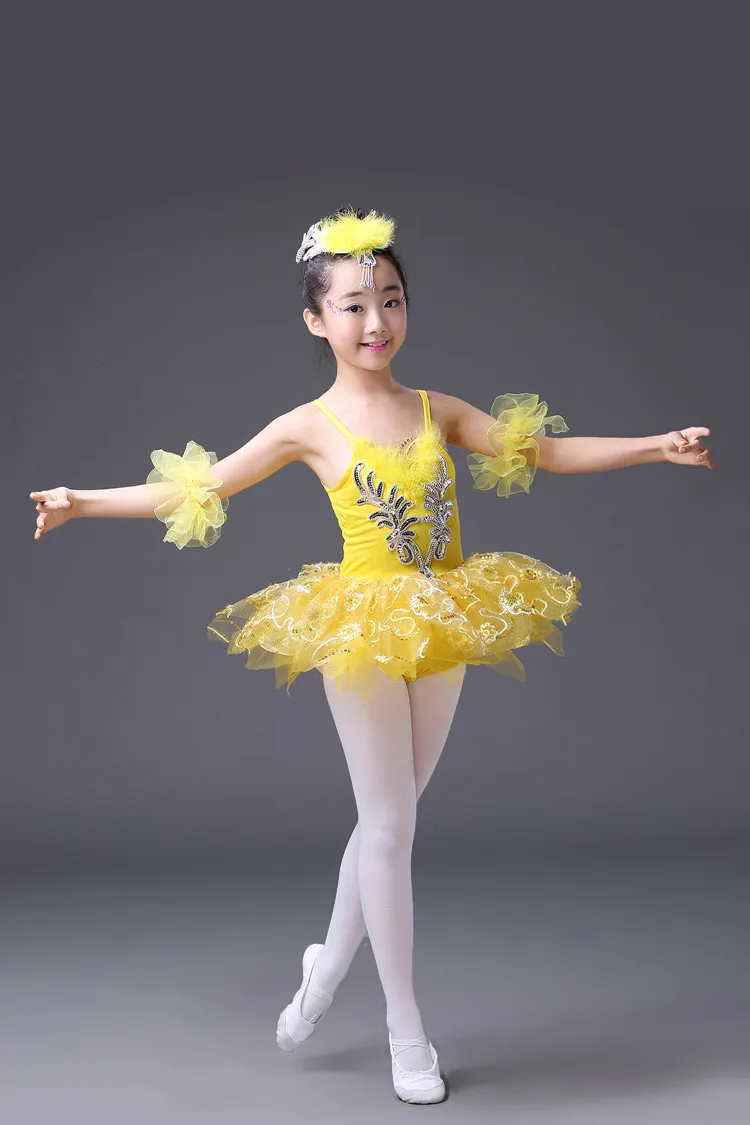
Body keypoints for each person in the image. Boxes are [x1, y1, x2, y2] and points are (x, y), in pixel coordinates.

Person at [29, 206, 714, 1105]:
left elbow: (547, 451)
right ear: (316, 320)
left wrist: (655, 446)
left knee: (391, 818)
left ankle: (322, 967)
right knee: (389, 826)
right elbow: (195, 487)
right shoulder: (306, 425)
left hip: (446, 617)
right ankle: (405, 1027)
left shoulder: (438, 410)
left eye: (390, 299)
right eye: (353, 305)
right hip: (359, 629)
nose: (376, 321)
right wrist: (81, 500)